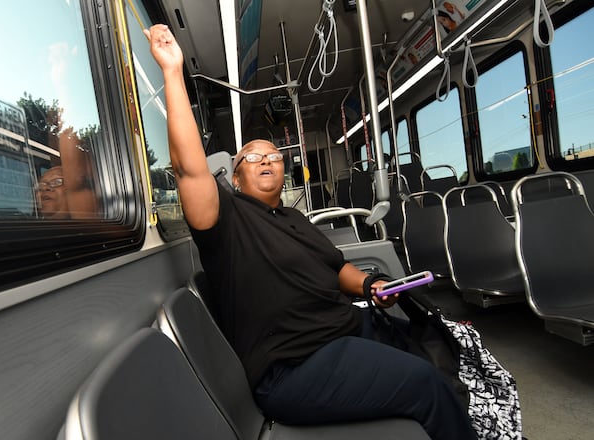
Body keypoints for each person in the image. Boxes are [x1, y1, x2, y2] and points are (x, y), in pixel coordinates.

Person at [145, 24, 476, 440]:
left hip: (344, 330)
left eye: (275, 156)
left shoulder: (296, 220)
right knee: (426, 385)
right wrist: (173, 73)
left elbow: (336, 270)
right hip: (295, 366)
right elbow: (188, 168)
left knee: (437, 347)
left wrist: (373, 285)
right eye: (254, 157)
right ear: (235, 174)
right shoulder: (225, 221)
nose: (267, 161)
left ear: (286, 171)